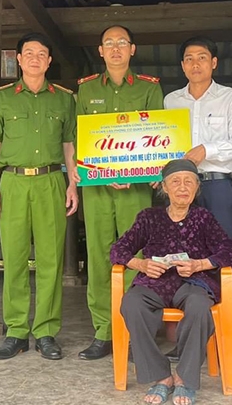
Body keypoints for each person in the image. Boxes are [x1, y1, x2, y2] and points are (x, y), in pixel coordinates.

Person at [0, 32, 79, 361]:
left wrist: (72, 184)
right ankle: (17, 331)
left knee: (51, 260)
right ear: (18, 59)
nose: (35, 58)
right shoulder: (3, 98)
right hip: (13, 182)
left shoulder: (64, 99)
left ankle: (47, 331)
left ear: (49, 61)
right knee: (15, 258)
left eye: (42, 53)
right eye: (29, 53)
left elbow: (69, 145)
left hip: (51, 181)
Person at [111, 159, 232, 405]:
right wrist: (141, 264)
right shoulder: (149, 217)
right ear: (164, 188)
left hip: (194, 283)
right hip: (154, 283)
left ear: (197, 188)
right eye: (175, 182)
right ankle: (162, 377)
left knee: (199, 307)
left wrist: (199, 264)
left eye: (189, 182)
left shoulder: (203, 218)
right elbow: (118, 250)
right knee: (131, 304)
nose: (182, 187)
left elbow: (231, 253)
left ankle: (184, 378)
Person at [76, 25, 164, 361]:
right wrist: (102, 172)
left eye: (121, 43)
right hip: (97, 188)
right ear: (100, 51)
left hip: (136, 189)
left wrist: (146, 172)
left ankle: (135, 331)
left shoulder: (148, 88)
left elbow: (159, 135)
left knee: (137, 258)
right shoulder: (85, 91)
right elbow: (79, 139)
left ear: (132, 49)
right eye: (109, 43)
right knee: (100, 257)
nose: (115, 49)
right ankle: (103, 331)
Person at [164, 35, 232, 239]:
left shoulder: (229, 97)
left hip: (218, 185)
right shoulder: (171, 101)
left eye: (202, 58)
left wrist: (207, 150)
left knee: (220, 249)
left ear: (214, 63)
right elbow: (163, 144)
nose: (195, 64)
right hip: (180, 186)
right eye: (189, 59)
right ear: (182, 65)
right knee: (181, 249)